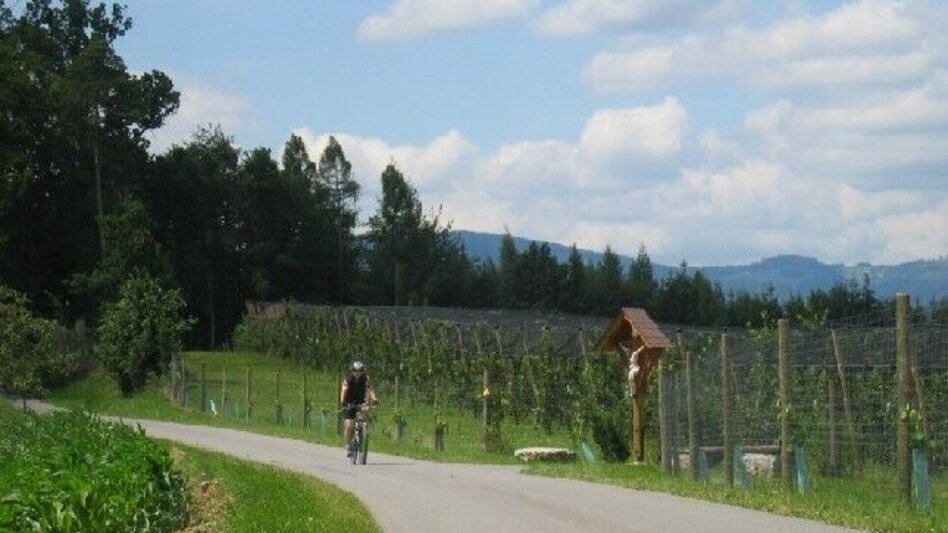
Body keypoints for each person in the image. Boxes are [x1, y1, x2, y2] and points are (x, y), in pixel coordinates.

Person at [340, 360, 377, 456]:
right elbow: (344, 390)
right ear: (352, 371)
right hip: (349, 403)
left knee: (364, 414)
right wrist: (343, 402)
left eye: (360, 371)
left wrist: (374, 399)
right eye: (355, 371)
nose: (358, 373)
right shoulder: (348, 379)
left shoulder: (365, 379)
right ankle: (348, 445)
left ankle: (362, 434)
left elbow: (370, 389)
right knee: (349, 425)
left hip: (361, 402)